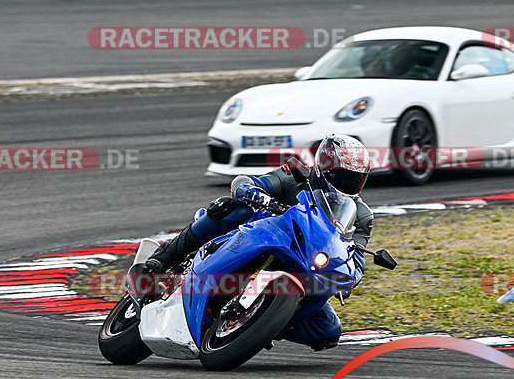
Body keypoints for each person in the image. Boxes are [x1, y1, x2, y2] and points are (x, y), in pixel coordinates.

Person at [144, 134, 374, 351]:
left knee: (328, 330)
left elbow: (357, 258)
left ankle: (258, 323)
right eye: (344, 176)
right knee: (230, 208)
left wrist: (351, 275)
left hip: (307, 263)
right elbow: (250, 183)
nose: (351, 183)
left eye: (357, 179)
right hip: (261, 235)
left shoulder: (361, 215)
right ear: (326, 170)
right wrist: (252, 192)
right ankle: (167, 256)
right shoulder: (295, 175)